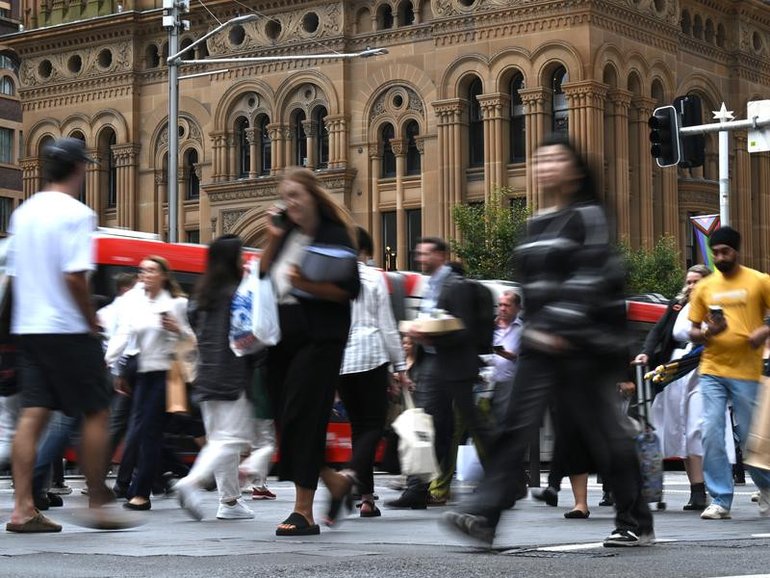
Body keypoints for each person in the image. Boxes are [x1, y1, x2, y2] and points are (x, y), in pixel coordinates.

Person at [443, 136, 654, 547]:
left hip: (582, 346)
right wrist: (536, 330)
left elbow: (590, 279)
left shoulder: (589, 216)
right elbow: (530, 288)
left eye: (556, 159)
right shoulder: (535, 222)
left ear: (575, 169)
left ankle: (634, 518)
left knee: (602, 432)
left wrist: (560, 327)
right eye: (540, 160)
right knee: (512, 426)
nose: (545, 166)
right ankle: (485, 516)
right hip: (540, 344)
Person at [5, 137, 127, 532]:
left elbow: (15, 275)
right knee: (96, 409)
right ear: (78, 169)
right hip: (67, 327)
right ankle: (96, 500)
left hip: (30, 327)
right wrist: (90, 319)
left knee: (34, 414)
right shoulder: (77, 214)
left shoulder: (23, 213)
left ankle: (23, 508)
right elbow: (74, 276)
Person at [259, 167, 360, 536]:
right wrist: (272, 238)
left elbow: (348, 290)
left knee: (305, 416)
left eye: (296, 196)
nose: (291, 203)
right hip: (282, 335)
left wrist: (307, 284)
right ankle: (335, 482)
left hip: (319, 336)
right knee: (285, 419)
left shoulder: (333, 235)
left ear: (312, 197)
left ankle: (304, 511)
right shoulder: (286, 233)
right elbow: (263, 274)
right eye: (286, 197)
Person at [386, 237, 495, 510]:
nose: (421, 259)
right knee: (433, 427)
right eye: (418, 253)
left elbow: (463, 329)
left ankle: (508, 476)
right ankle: (419, 487)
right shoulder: (432, 284)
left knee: (460, 426)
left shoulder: (454, 286)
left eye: (427, 254)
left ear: (443, 255)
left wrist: (430, 336)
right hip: (436, 364)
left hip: (451, 363)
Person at [322, 227, 407, 521]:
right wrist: (401, 367)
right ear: (366, 251)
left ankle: (367, 498)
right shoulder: (373, 278)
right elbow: (386, 325)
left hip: (341, 360)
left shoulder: (331, 278)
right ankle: (348, 478)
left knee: (359, 429)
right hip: (371, 355)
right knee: (372, 426)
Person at [687, 226, 770, 520]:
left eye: (725, 252)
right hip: (712, 369)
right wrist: (708, 330)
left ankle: (766, 488)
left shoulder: (759, 281)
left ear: (737, 251)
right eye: (715, 252)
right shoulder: (706, 287)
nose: (720, 257)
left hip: (748, 372)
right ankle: (720, 499)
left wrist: (763, 330)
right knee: (711, 431)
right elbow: (693, 330)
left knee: (751, 440)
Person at [174, 235, 259, 521]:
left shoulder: (200, 297)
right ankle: (191, 483)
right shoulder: (236, 293)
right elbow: (249, 337)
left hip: (206, 374)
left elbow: (197, 332)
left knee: (219, 440)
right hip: (232, 373)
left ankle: (230, 502)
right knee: (232, 439)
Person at [638, 264, 734, 512]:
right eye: (689, 282)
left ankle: (714, 490)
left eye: (696, 281)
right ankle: (696, 491)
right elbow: (658, 332)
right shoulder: (677, 305)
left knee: (698, 429)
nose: (691, 286)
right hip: (676, 372)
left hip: (705, 370)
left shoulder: (718, 307)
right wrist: (646, 354)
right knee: (680, 429)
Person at [105, 255, 193, 511]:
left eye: (152, 270)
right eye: (142, 270)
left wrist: (177, 329)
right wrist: (110, 362)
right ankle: (157, 482)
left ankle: (141, 493)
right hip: (143, 373)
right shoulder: (138, 305)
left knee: (148, 433)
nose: (145, 274)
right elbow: (124, 336)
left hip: (167, 375)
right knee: (143, 433)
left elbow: (191, 340)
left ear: (164, 275)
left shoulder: (177, 304)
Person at [489, 290, 523, 427]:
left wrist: (512, 356)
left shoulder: (522, 330)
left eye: (507, 305)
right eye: (500, 305)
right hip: (486, 385)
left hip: (508, 386)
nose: (502, 308)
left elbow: (528, 360)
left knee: (502, 424)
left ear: (518, 308)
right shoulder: (490, 326)